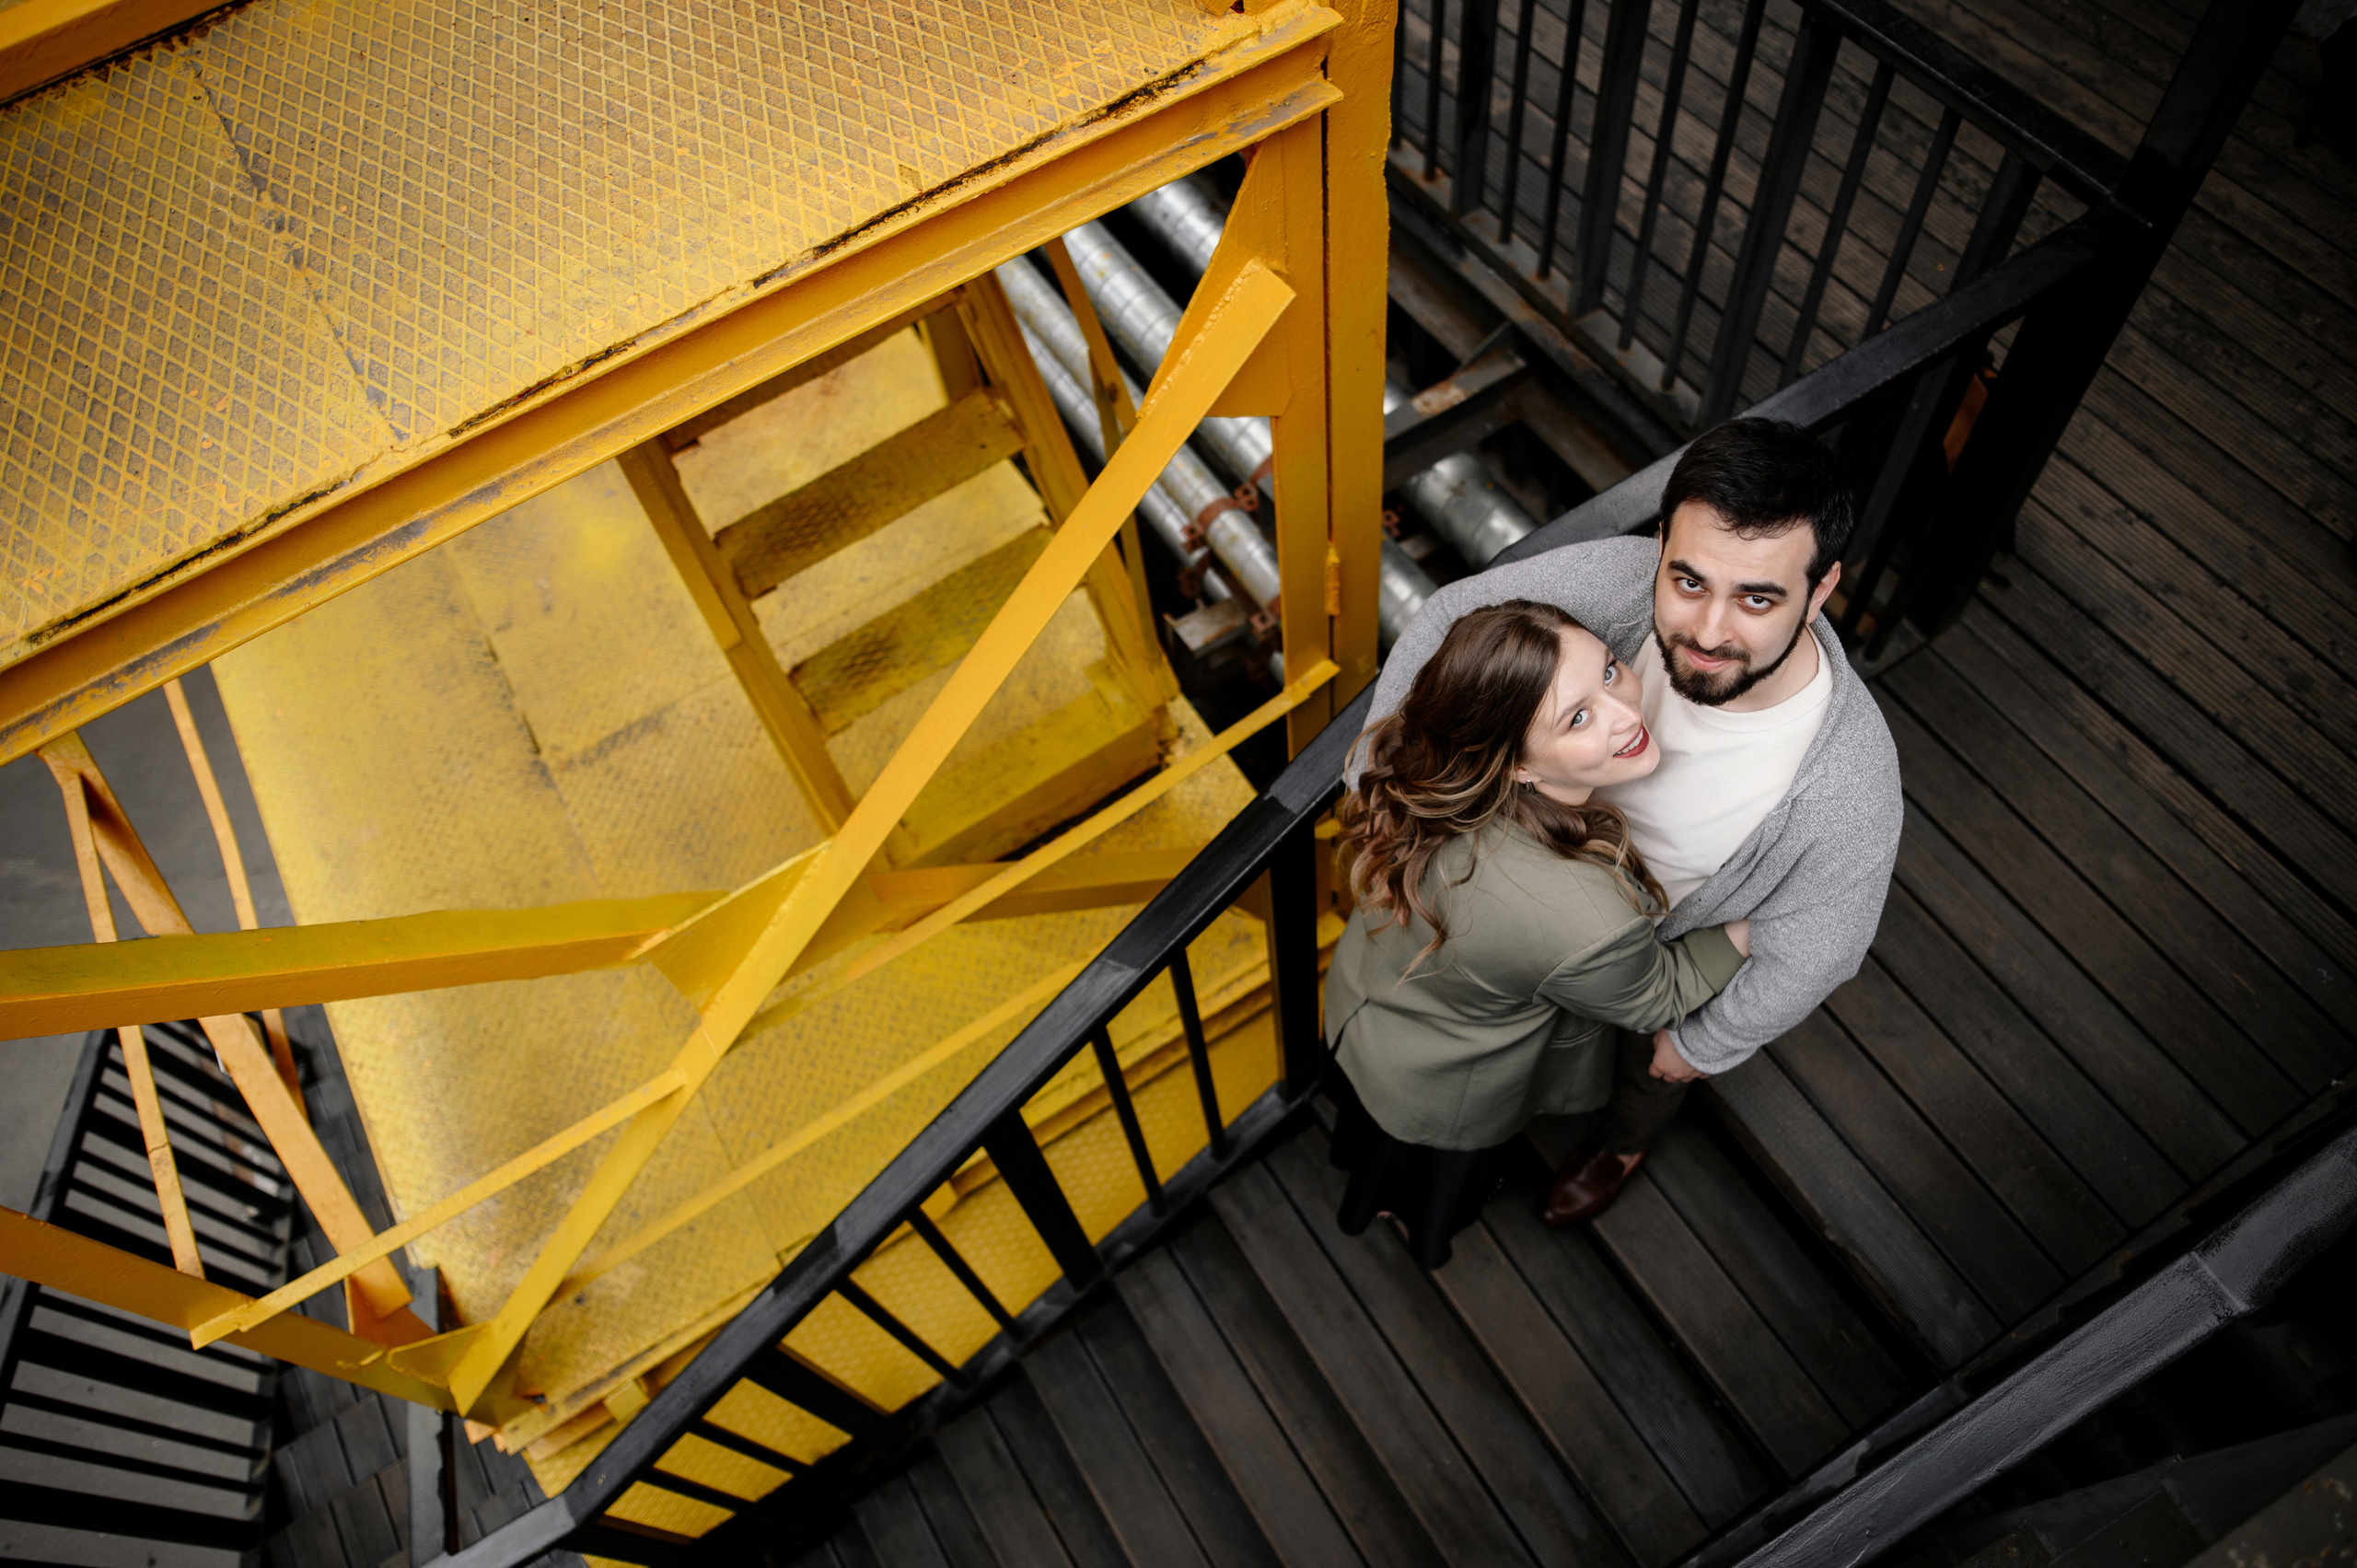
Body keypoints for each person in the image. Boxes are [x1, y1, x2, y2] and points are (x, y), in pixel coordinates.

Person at [1354, 417, 1902, 1227]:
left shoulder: (1850, 787)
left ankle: (1617, 1148)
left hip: (1670, 954)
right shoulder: (1613, 587)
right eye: (1689, 582)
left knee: (1648, 1079)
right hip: (1542, 893)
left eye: (1758, 597)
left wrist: (1704, 1045)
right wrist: (1377, 787)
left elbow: (1823, 946)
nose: (1709, 631)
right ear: (1658, 548)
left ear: (1822, 591)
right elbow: (1449, 619)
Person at [1323, 598, 1752, 1268]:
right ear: (1518, 765)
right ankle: (1420, 1224)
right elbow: (1659, 995)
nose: (1624, 712)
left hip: (1363, 999)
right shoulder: (1585, 914)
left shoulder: (1442, 778)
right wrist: (1751, 930)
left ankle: (1375, 1195)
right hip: (1443, 1082)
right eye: (1577, 717)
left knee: (1377, 1147)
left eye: (1610, 671)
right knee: (1435, 1177)